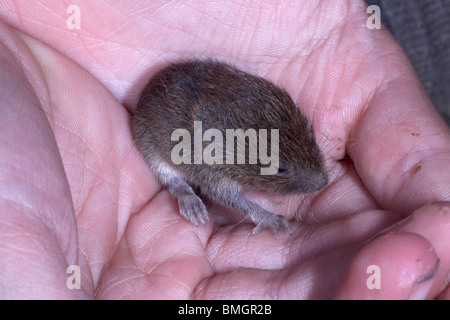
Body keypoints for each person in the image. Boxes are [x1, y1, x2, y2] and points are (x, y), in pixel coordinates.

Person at [0, 0, 448, 299]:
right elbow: (223, 187)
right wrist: (260, 212)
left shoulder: (260, 105)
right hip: (163, 134)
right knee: (177, 173)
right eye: (284, 175)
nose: (316, 182)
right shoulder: (214, 154)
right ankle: (176, 186)